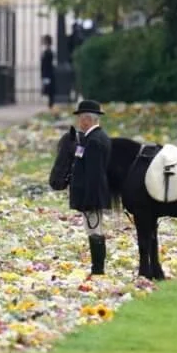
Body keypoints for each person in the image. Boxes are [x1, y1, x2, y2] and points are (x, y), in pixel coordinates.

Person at [70, 100, 112, 276]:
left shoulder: (94, 141)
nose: (79, 122)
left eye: (81, 118)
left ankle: (98, 269)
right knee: (95, 230)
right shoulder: (94, 137)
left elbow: (94, 174)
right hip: (93, 194)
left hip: (92, 196)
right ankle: (97, 268)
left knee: (94, 231)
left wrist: (89, 200)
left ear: (87, 120)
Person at [41, 35, 56, 109]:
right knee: (48, 90)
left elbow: (47, 64)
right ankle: (50, 105)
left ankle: (51, 105)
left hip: (48, 74)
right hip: (47, 73)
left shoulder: (49, 52)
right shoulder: (47, 52)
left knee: (50, 90)